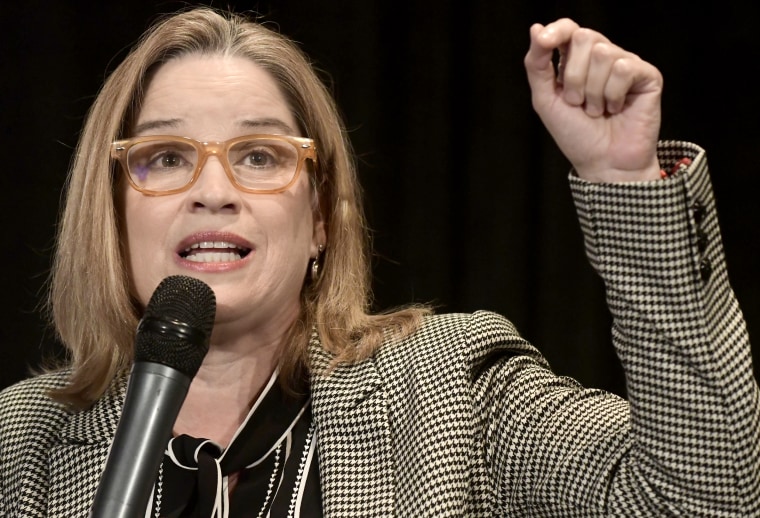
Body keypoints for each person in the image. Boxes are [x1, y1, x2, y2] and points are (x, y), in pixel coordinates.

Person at [0, 6, 758, 517]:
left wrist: (624, 185)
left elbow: (702, 495)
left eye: (259, 155)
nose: (213, 192)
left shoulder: (450, 394)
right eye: (166, 157)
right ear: (113, 208)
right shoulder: (19, 442)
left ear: (323, 216)